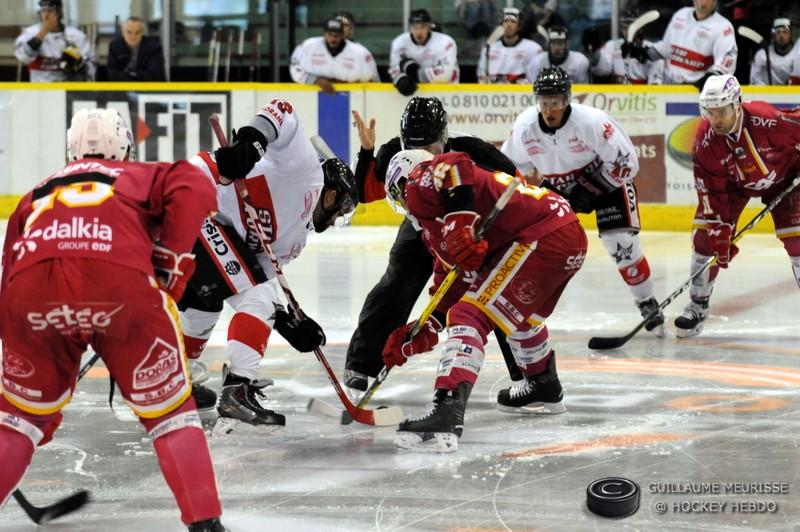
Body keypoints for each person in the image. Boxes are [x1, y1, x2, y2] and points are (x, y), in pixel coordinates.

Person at [0, 109, 223, 530]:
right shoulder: (138, 174)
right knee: (171, 417)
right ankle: (205, 525)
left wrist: (28, 402)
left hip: (32, 291)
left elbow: (9, 275)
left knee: (17, 422)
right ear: (124, 147)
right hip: (119, 284)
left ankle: (18, 426)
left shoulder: (35, 194)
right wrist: (171, 259)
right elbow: (196, 184)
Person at [380, 149, 587, 452]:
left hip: (544, 234)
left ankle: (447, 409)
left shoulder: (419, 183)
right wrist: (426, 325)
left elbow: (457, 162)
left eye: (398, 198)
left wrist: (459, 222)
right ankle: (543, 384)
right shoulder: (433, 230)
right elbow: (453, 280)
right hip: (561, 233)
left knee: (469, 314)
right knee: (514, 314)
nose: (403, 204)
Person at [179, 98, 357, 431]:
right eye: (341, 211)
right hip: (193, 193)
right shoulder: (308, 171)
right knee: (256, 295)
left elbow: (255, 277)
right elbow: (282, 109)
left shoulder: (295, 242)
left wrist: (291, 325)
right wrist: (251, 140)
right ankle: (237, 389)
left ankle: (174, 381)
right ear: (332, 196)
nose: (335, 221)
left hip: (207, 232)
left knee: (206, 304)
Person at [344, 96, 524, 395]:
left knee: (496, 290)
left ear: (444, 138)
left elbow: (514, 188)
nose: (422, 157)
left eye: (430, 148)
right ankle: (363, 365)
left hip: (468, 224)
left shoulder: (473, 151)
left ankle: (526, 375)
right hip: (421, 222)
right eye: (414, 148)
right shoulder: (392, 152)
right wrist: (366, 153)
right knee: (396, 283)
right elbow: (365, 192)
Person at [502, 67, 666, 335]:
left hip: (607, 182)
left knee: (621, 242)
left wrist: (594, 188)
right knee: (538, 245)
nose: (549, 109)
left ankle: (646, 301)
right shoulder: (525, 127)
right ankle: (528, 304)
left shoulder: (591, 122)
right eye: (544, 102)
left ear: (567, 100)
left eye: (555, 101)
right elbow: (508, 166)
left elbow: (628, 164)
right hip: (559, 186)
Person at [674, 74, 800, 337]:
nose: (716, 119)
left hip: (786, 180)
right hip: (734, 186)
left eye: (721, 111)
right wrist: (719, 231)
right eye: (710, 112)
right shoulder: (706, 139)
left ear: (737, 104)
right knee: (705, 240)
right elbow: (709, 188)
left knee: (798, 242)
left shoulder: (768, 120)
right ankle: (697, 306)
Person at [640, 0, 737, 88]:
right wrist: (643, 52)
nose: (703, 2)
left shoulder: (723, 27)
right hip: (668, 88)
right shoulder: (681, 15)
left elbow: (726, 62)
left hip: (696, 93)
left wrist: (710, 79)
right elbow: (666, 49)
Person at [290, 18, 379, 95]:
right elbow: (294, 66)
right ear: (324, 34)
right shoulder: (308, 46)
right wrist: (315, 80)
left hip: (353, 98)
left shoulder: (360, 52)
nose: (333, 39)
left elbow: (372, 78)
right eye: (330, 35)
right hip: (312, 97)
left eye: (336, 36)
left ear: (343, 35)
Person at [14, 0, 95, 82]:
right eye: (43, 11)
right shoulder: (30, 33)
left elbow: (91, 70)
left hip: (68, 88)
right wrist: (43, 32)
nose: (46, 15)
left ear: (59, 13)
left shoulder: (76, 36)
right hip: (39, 88)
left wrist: (79, 65)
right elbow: (22, 57)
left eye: (50, 11)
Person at [389, 9, 460, 96]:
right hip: (416, 95)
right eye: (415, 27)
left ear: (429, 27)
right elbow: (394, 68)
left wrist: (413, 72)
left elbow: (445, 75)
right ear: (410, 28)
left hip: (446, 94)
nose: (419, 32)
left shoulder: (446, 42)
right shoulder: (399, 43)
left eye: (423, 27)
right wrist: (400, 79)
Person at [591, 11, 665, 84]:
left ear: (640, 29)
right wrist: (595, 51)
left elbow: (655, 86)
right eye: (624, 28)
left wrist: (643, 55)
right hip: (616, 94)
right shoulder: (612, 45)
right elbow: (602, 70)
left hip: (641, 95)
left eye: (631, 27)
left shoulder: (651, 50)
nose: (628, 32)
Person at [477, 7, 543, 84]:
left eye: (513, 21)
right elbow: (481, 77)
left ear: (519, 26)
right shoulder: (489, 49)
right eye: (506, 21)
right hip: (494, 93)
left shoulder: (533, 49)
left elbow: (538, 77)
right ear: (501, 24)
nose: (509, 25)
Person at [107, 16, 166, 82]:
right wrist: (136, 75)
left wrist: (129, 74)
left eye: (137, 32)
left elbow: (153, 75)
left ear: (142, 33)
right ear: (123, 33)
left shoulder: (154, 47)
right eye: (129, 32)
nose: (133, 36)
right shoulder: (115, 47)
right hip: (122, 88)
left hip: (151, 89)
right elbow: (113, 75)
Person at [525, 26, 589, 84]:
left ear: (567, 44)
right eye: (553, 43)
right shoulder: (537, 63)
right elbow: (532, 89)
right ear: (548, 44)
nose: (557, 47)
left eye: (560, 43)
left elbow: (585, 90)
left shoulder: (580, 62)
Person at [750, 18, 796, 85]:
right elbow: (754, 79)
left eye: (785, 32)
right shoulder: (762, 55)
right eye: (778, 32)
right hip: (767, 94)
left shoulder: (798, 54)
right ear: (773, 36)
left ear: (791, 35)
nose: (781, 36)